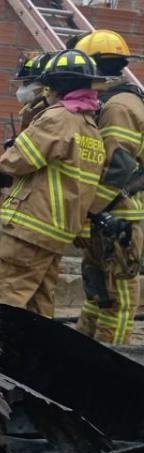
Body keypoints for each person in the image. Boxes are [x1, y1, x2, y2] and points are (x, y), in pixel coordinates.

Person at [0, 48, 106, 318]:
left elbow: (20, 157)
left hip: (30, 227)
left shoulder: (58, 117)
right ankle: (38, 356)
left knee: (8, 295)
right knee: (39, 302)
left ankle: (0, 354)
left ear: (56, 85)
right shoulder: (90, 128)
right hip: (56, 232)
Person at [74, 30, 143, 343]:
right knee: (99, 294)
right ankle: (84, 361)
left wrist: (92, 210)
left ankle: (108, 366)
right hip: (111, 215)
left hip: (118, 216)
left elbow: (119, 167)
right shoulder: (120, 101)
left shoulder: (118, 107)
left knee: (118, 299)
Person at [13, 52, 54, 131]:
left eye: (28, 82)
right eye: (24, 83)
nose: (22, 89)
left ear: (45, 84)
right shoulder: (31, 108)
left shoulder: (47, 112)